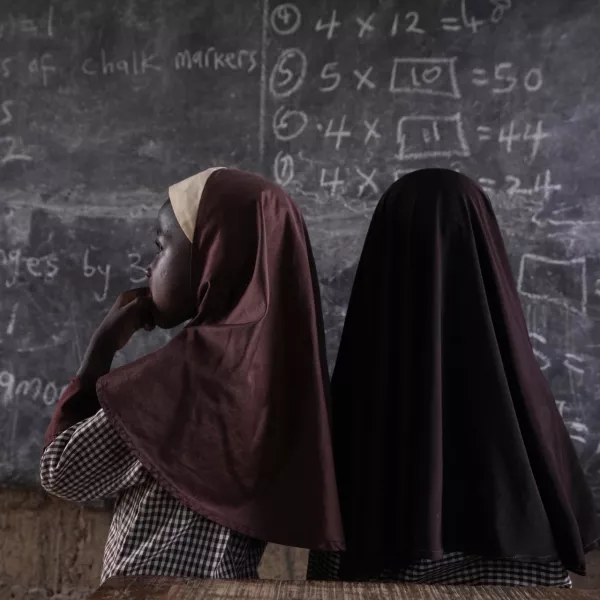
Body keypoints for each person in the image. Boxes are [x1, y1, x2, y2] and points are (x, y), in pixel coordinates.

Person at [41, 167, 344, 582]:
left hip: (150, 590)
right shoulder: (282, 379)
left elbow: (62, 472)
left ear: (212, 256)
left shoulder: (183, 376)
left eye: (160, 248)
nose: (149, 267)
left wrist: (100, 351)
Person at [307, 168, 599, 587]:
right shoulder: (516, 374)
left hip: (375, 577)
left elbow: (332, 558)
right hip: (516, 573)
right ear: (484, 240)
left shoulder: (362, 381)